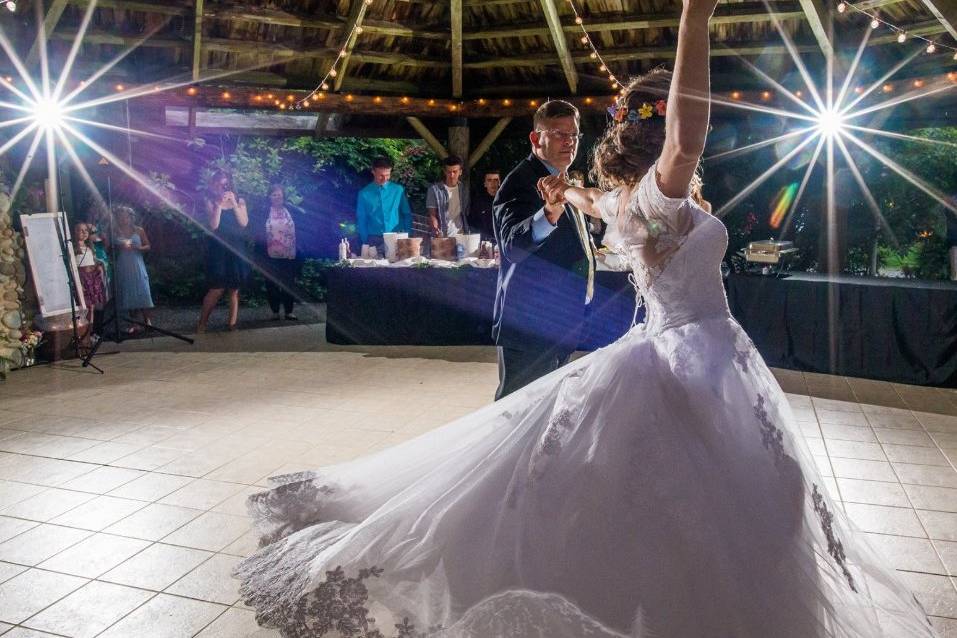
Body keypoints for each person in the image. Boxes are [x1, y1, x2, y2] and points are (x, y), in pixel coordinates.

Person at [234, 0, 936, 634]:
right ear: (658, 145)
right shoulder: (656, 201)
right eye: (671, 136)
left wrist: (566, 192)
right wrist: (695, 15)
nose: (686, 149)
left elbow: (582, 200)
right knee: (718, 508)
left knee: (682, 509)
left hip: (690, 354)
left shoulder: (618, 203)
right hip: (692, 361)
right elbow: (684, 142)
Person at [490, 99, 595, 400]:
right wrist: (548, 213)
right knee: (515, 415)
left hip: (561, 322)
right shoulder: (520, 181)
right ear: (536, 138)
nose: (569, 142)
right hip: (530, 324)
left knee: (543, 415)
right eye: (559, 134)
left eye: (574, 135)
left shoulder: (564, 181)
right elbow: (513, 247)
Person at [197, 170, 248, 333]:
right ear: (213, 185)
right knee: (217, 288)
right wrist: (219, 204)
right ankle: (202, 324)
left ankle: (232, 325)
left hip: (236, 247)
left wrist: (233, 204)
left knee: (234, 289)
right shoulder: (210, 200)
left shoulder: (240, 201)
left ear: (229, 184)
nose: (221, 187)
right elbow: (214, 226)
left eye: (224, 184)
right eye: (218, 184)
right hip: (218, 249)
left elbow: (243, 223)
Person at [259, 183, 300, 321]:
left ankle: (289, 311)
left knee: (289, 282)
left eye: (279, 194)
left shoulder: (292, 210)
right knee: (271, 283)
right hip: (269, 254)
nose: (277, 197)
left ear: (283, 196)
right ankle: (275, 311)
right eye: (274, 194)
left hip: (289, 253)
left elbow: (300, 229)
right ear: (269, 197)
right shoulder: (263, 211)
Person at [112, 206, 154, 334]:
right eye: (120, 216)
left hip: (137, 263)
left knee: (142, 289)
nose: (123, 219)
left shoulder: (139, 230)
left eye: (126, 216)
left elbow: (148, 246)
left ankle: (147, 320)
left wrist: (139, 248)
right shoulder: (115, 230)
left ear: (131, 217)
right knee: (128, 291)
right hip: (123, 264)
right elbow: (110, 248)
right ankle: (134, 322)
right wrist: (119, 245)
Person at [356, 156, 412, 250]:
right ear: (373, 171)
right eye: (381, 175)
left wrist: (407, 235)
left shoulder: (398, 190)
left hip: (396, 237)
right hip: (373, 239)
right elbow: (361, 219)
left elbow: (406, 214)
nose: (385, 178)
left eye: (388, 175)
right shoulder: (364, 194)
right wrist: (365, 240)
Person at [72, 222, 106, 330]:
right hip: (82, 278)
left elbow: (93, 260)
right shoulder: (73, 248)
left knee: (92, 306)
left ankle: (91, 331)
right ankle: (83, 331)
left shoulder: (89, 247)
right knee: (84, 305)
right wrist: (78, 282)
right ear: (75, 232)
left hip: (92, 278)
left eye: (86, 230)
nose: (84, 232)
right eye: (80, 230)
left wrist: (99, 266)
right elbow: (72, 266)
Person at [426, 155, 470, 237]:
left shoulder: (464, 190)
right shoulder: (434, 190)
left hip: (462, 234)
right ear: (444, 171)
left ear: (460, 172)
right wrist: (435, 229)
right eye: (449, 172)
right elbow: (432, 215)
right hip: (442, 235)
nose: (452, 175)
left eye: (455, 171)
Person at [468, 170, 501, 241]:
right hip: (484, 243)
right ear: (485, 184)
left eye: (495, 180)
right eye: (489, 180)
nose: (493, 183)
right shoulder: (478, 202)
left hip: (502, 243)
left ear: (499, 182)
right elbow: (472, 224)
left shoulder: (505, 201)